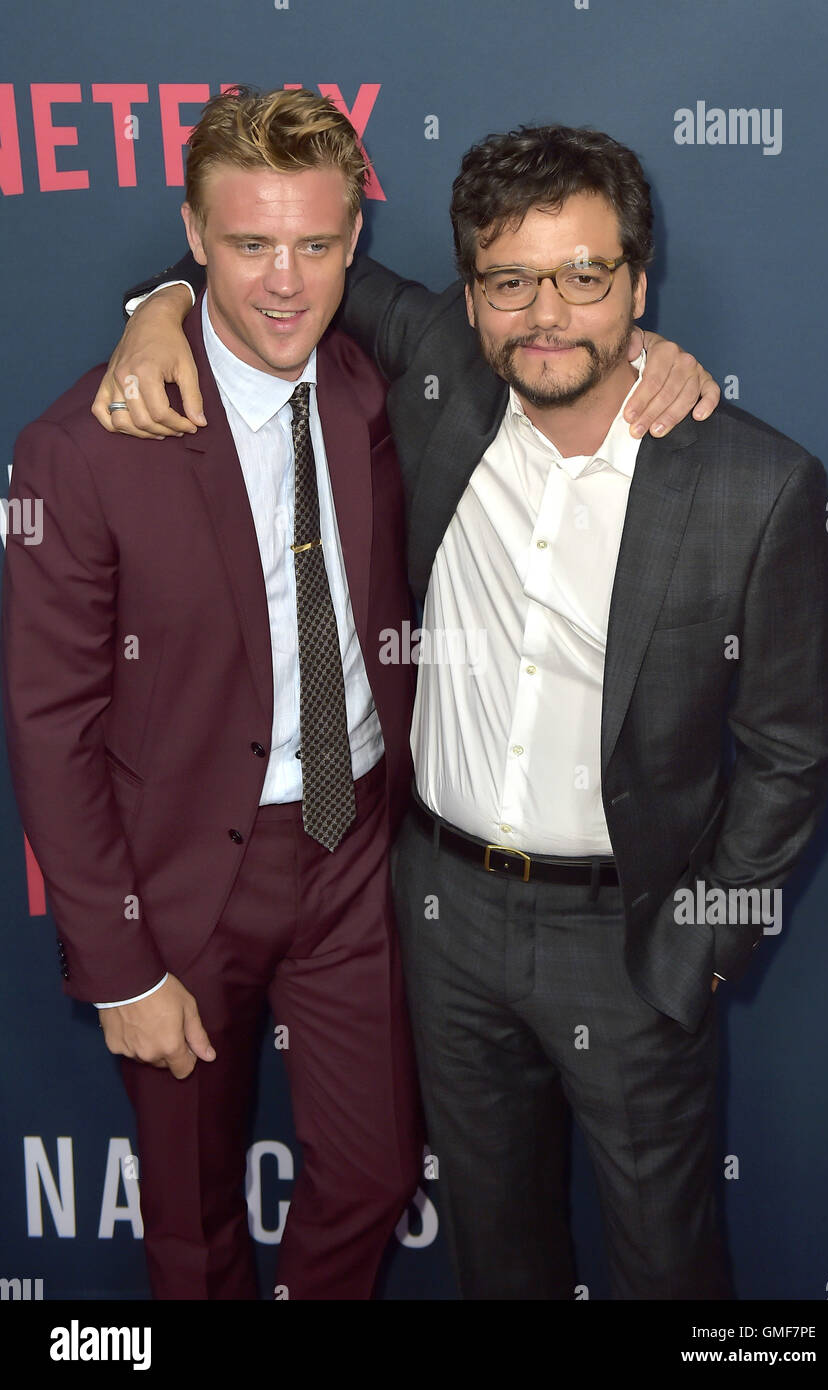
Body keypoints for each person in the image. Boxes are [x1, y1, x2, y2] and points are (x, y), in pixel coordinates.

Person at [91, 121, 809, 1300]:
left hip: (629, 940)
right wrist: (153, 307)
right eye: (511, 280)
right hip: (441, 919)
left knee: (667, 1266)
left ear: (636, 278)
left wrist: (700, 949)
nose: (548, 313)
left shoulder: (754, 481)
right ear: (467, 298)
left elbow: (788, 756)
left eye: (585, 276)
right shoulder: (438, 370)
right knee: (498, 1254)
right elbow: (269, 265)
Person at [2, 86, 425, 1301]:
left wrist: (654, 358)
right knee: (189, 1227)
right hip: (183, 875)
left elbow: (546, 334)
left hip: (350, 846)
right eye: (247, 246)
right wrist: (120, 967)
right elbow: (50, 724)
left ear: (354, 240)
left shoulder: (366, 385)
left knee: (376, 1174)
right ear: (192, 238)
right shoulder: (80, 447)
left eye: (313, 243)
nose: (283, 281)